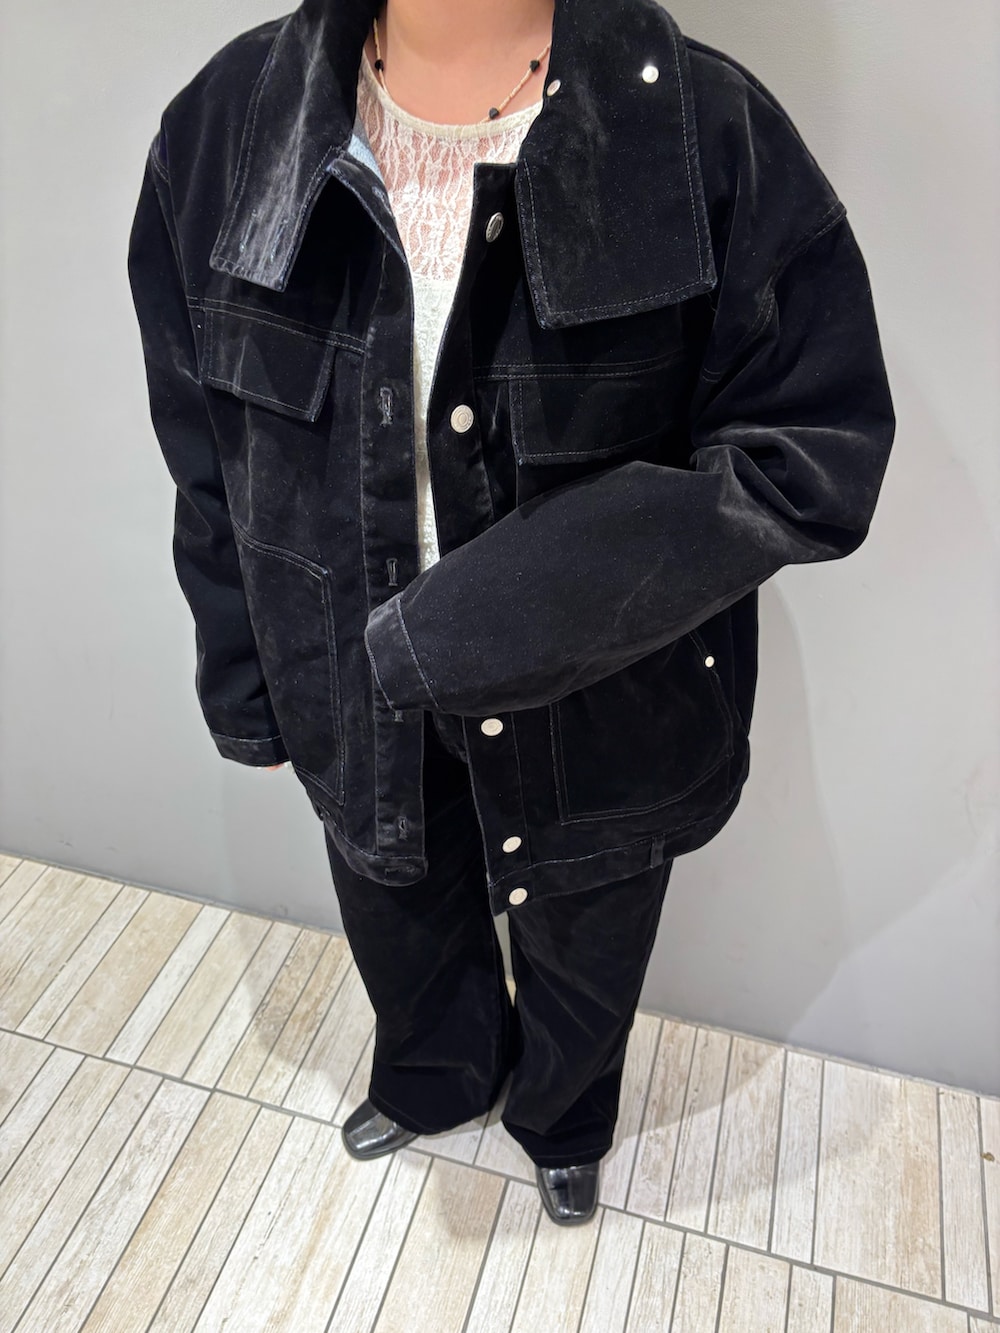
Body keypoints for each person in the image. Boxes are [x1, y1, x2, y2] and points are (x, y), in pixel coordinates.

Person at [127, 0, 895, 1227]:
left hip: (605, 702)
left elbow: (810, 454)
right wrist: (246, 683)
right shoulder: (226, 129)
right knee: (395, 902)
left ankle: (562, 1121)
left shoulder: (699, 129)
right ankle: (433, 1079)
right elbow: (206, 450)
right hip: (352, 677)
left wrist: (503, 611)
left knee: (588, 934)